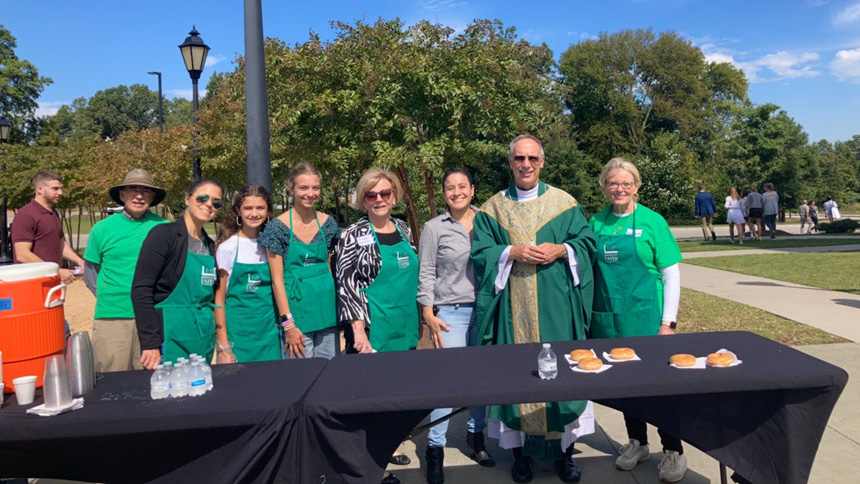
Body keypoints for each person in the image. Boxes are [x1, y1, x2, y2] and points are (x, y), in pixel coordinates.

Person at [471, 135, 596, 484]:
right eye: (519, 158)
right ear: (510, 163)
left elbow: (586, 244)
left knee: (562, 378)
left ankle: (565, 456)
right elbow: (480, 253)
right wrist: (509, 253)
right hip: (513, 311)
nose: (526, 164)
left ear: (542, 162)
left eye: (532, 158)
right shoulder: (491, 209)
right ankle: (521, 456)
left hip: (556, 306)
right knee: (517, 377)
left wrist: (562, 250)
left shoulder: (565, 204)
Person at [588, 158, 686, 483]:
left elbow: (671, 274)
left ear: (637, 186)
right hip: (611, 321)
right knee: (626, 387)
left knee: (659, 388)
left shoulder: (652, 221)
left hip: (648, 319)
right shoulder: (595, 223)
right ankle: (637, 443)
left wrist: (667, 324)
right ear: (604, 186)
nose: (619, 188)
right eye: (613, 183)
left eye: (626, 183)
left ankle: (673, 450)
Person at [335, 167, 419, 484]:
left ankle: (390, 446)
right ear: (363, 199)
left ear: (394, 196)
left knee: (398, 394)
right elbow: (347, 285)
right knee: (374, 399)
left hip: (405, 326)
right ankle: (374, 469)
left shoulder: (403, 229)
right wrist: (357, 331)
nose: (379, 199)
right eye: (372, 195)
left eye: (385, 193)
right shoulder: (353, 235)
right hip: (373, 329)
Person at [418, 167, 494, 484]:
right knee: (445, 387)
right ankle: (435, 450)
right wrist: (427, 312)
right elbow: (426, 273)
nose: (457, 192)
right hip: (450, 314)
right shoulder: (434, 228)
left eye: (462, 186)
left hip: (486, 311)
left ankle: (476, 440)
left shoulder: (488, 223)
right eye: (450, 187)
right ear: (444, 193)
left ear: (473, 190)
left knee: (480, 384)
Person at [132, 179, 223, 369]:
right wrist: (150, 343)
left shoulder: (209, 245)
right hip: (170, 337)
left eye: (216, 202)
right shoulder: (164, 235)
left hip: (201, 337)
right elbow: (141, 289)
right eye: (203, 198)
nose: (209, 205)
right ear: (188, 199)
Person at [83, 169, 168, 372]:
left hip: (152, 316)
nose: (139, 196)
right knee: (110, 376)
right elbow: (91, 273)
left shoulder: (165, 228)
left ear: (152, 197)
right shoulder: (101, 229)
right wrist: (111, 295)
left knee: (149, 378)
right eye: (133, 190)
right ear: (122, 195)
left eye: (145, 191)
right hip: (113, 316)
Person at [259, 163, 341, 359]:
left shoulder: (328, 224)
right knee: (300, 378)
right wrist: (289, 325)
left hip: (327, 313)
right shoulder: (277, 228)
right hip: (297, 317)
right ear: (291, 189)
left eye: (315, 188)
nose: (310, 193)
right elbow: (277, 281)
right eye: (304, 188)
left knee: (329, 376)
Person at [213, 185, 281, 363]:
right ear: (238, 211)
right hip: (238, 334)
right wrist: (224, 347)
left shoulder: (272, 245)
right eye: (248, 208)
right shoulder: (228, 247)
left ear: (268, 211)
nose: (254, 213)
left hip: (270, 333)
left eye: (260, 208)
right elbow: (219, 301)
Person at [12, 170, 85, 285]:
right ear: (39, 189)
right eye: (55, 189)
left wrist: (79, 261)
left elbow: (60, 244)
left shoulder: (52, 213)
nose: (60, 192)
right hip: (31, 284)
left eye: (61, 188)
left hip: (51, 282)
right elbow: (22, 254)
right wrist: (55, 271)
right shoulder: (26, 215)